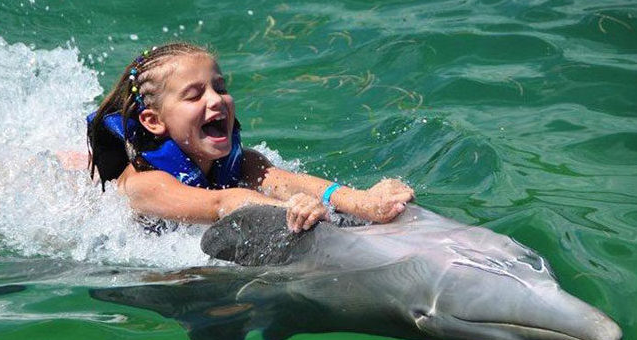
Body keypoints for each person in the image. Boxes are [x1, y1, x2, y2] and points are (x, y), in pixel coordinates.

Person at [86, 42, 414, 233]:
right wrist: (288, 210)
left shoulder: (240, 163)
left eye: (221, 88)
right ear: (153, 121)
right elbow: (222, 203)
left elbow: (287, 181)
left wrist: (363, 202)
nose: (216, 100)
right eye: (193, 95)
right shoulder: (145, 183)